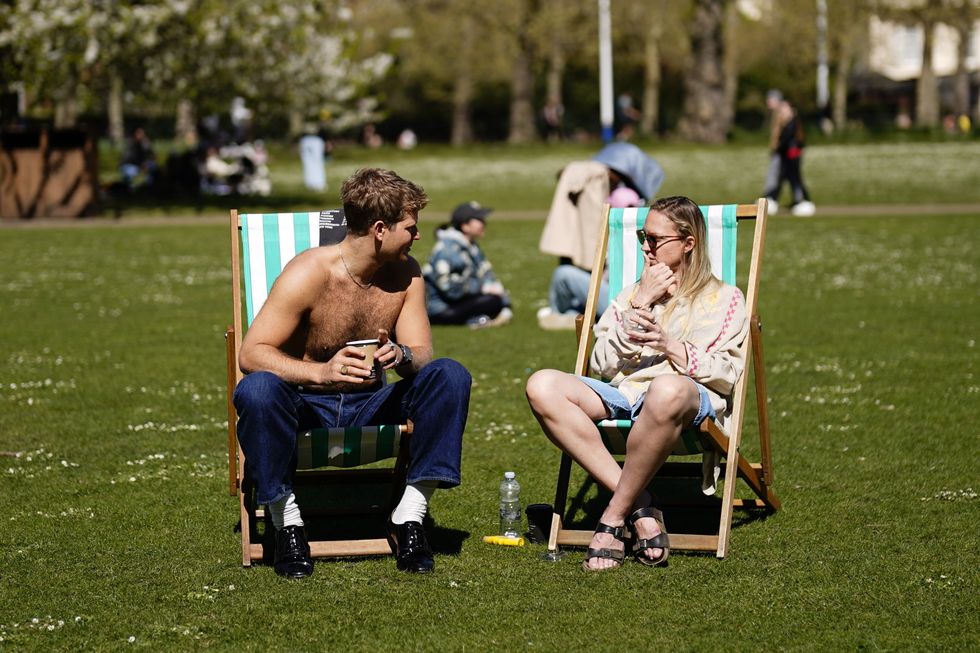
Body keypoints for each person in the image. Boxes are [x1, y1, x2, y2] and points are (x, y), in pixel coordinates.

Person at [234, 168, 472, 578]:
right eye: (411, 228)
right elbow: (252, 353)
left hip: (373, 402)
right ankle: (286, 523)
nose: (418, 237)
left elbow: (423, 356)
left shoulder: (407, 274)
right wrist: (322, 373)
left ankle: (409, 517)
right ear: (380, 229)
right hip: (305, 403)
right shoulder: (309, 273)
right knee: (256, 390)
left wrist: (399, 354)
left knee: (449, 376)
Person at [525, 196, 748, 571]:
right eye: (643, 236)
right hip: (627, 393)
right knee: (542, 385)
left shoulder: (725, 299)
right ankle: (641, 503)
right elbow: (600, 363)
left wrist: (671, 347)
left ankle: (613, 516)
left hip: (685, 397)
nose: (645, 246)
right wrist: (641, 302)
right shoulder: (632, 293)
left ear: (688, 242)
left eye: (654, 239)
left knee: (667, 388)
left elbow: (727, 373)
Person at [537, 142, 665, 330]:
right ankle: (574, 314)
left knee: (562, 275)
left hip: (623, 301)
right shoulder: (646, 228)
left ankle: (563, 315)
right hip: (636, 298)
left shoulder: (620, 228)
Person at [422, 202, 512, 329]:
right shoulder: (448, 250)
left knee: (495, 298)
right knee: (493, 301)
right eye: (479, 220)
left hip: (459, 303)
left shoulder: (471, 246)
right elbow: (450, 289)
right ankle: (479, 319)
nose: (484, 223)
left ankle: (481, 318)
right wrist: (482, 287)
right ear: (465, 226)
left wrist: (494, 288)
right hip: (441, 309)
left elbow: (485, 273)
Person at [762, 90, 816, 217]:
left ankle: (802, 200)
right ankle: (774, 198)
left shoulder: (792, 123)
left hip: (792, 156)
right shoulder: (787, 123)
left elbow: (791, 140)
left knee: (795, 178)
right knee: (785, 178)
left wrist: (780, 147)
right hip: (787, 156)